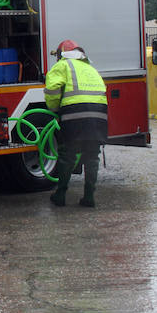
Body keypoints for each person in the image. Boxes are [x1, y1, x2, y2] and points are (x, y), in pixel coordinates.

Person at [44, 39, 108, 207]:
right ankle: (89, 197)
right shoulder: (90, 67)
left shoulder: (62, 66)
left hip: (74, 114)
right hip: (99, 114)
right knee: (92, 155)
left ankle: (60, 195)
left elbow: (52, 91)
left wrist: (55, 110)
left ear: (61, 54)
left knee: (67, 154)